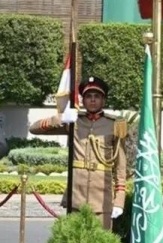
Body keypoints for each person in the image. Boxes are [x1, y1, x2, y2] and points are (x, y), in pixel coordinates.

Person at [29, 76, 127, 230]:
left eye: (97, 96)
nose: (92, 100)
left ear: (104, 100)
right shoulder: (74, 121)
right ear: (83, 100)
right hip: (76, 196)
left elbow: (121, 167)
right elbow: (34, 129)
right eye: (88, 96)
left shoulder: (114, 125)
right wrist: (60, 118)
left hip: (102, 197)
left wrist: (119, 200)